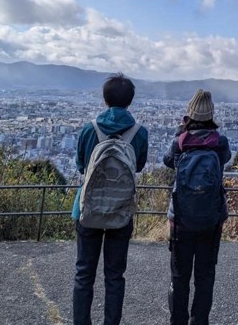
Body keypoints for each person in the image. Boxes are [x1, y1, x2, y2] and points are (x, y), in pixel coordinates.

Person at [72, 73, 148, 325]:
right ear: (130, 101)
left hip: (88, 209)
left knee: (84, 274)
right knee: (115, 276)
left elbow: (81, 164)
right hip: (121, 209)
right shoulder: (139, 133)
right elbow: (137, 166)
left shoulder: (89, 129)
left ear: (105, 99)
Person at [164, 89, 231, 325]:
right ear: (212, 115)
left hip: (181, 216)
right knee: (205, 275)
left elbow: (167, 161)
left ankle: (177, 320)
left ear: (189, 114)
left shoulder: (179, 143)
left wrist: (181, 131)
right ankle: (199, 321)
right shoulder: (220, 143)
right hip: (211, 217)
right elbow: (225, 160)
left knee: (180, 274)